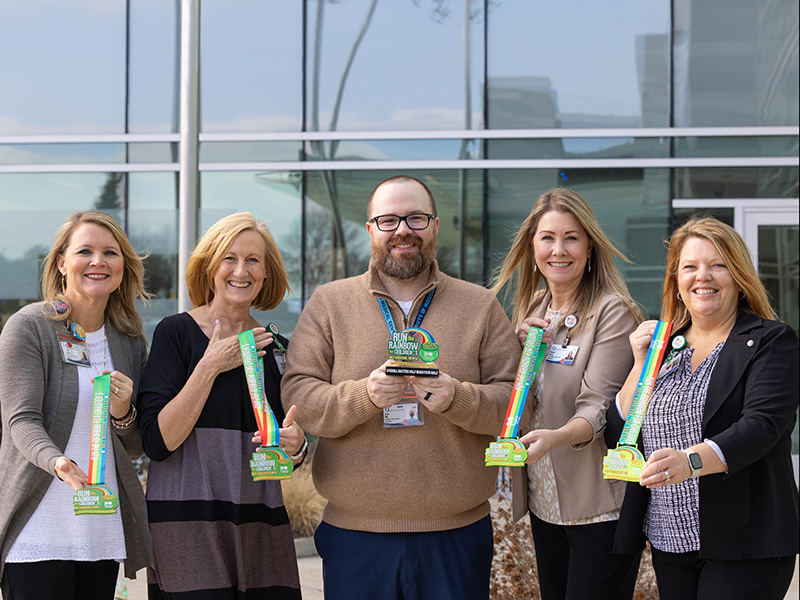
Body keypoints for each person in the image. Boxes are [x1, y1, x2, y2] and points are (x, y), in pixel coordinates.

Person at [281, 175, 520, 600]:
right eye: (388, 220)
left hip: (457, 536)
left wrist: (460, 399)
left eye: (415, 217)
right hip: (356, 538)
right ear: (370, 229)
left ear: (435, 225)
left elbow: (516, 402)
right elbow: (298, 395)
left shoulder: (479, 305)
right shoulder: (330, 303)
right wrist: (364, 397)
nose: (403, 230)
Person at [609, 216, 799, 600]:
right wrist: (639, 362)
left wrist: (690, 461)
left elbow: (761, 426)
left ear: (739, 276)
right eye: (690, 267)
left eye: (718, 265)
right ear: (676, 282)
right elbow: (621, 433)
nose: (703, 277)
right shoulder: (664, 346)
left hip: (744, 542)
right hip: (669, 539)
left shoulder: (770, 340)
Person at [138, 212, 305, 599]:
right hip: (187, 523)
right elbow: (157, 442)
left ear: (266, 273)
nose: (240, 270)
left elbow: (288, 440)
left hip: (259, 522)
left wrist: (297, 447)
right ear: (211, 266)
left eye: (253, 260)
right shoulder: (175, 333)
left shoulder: (275, 347)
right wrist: (210, 366)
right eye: (229, 258)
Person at [492, 188, 644, 600]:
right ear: (532, 245)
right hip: (545, 503)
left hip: (599, 506)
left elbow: (598, 408)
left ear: (590, 246)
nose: (559, 250)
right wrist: (514, 350)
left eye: (572, 238)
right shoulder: (533, 310)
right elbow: (519, 398)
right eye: (548, 238)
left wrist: (556, 437)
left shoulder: (613, 311)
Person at [0, 211, 153, 600]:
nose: (98, 261)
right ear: (61, 265)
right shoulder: (29, 327)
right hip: (37, 530)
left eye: (110, 253)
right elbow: (20, 420)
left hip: (98, 530)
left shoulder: (130, 342)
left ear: (123, 267)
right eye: (85, 251)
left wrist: (123, 413)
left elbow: (135, 444)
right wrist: (57, 461)